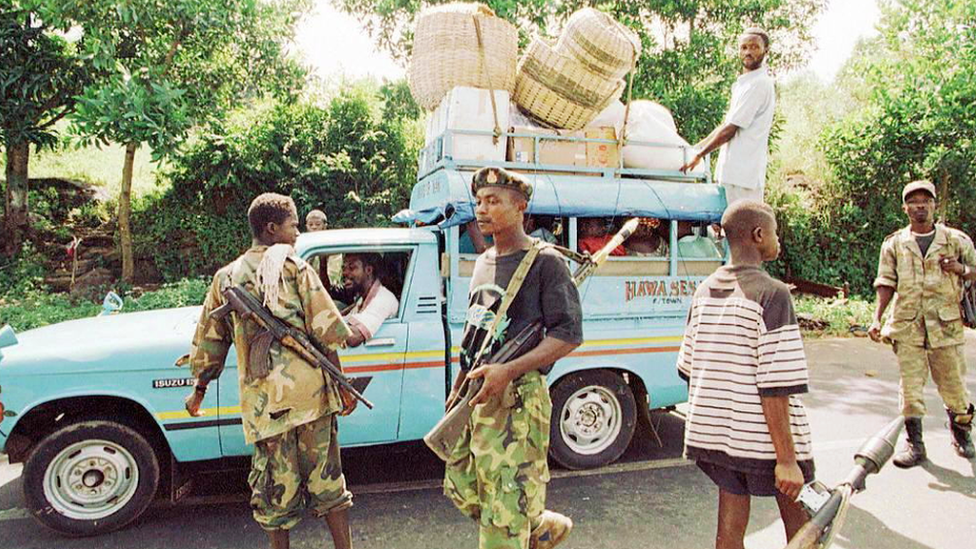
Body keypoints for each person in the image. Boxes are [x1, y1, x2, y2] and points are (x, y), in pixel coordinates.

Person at [184, 193, 357, 549]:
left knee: (274, 490)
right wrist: (342, 385)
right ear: (271, 228)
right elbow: (326, 333)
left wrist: (199, 388)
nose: (297, 232)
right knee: (328, 482)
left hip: (265, 406)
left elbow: (210, 342)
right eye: (293, 225)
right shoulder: (295, 268)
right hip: (311, 398)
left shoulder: (226, 276)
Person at [444, 166, 582, 549]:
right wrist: (460, 383)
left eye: (493, 201)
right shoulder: (485, 260)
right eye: (478, 201)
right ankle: (535, 524)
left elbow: (568, 335)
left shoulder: (545, 262)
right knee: (463, 485)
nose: (482, 209)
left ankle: (520, 524)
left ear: (520, 207)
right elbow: (478, 331)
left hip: (518, 401)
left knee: (503, 511)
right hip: (479, 392)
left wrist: (509, 369)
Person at [677, 200, 813, 549]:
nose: (778, 240)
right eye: (775, 232)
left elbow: (689, 368)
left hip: (720, 438)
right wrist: (787, 460)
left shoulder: (704, 290)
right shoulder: (773, 294)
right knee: (800, 526)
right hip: (766, 442)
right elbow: (775, 387)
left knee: (729, 529)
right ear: (758, 234)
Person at [868, 180, 976, 466]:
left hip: (946, 326)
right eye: (913, 202)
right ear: (905, 208)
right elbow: (886, 282)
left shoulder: (956, 240)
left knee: (954, 388)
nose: (920, 206)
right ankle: (915, 445)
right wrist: (877, 318)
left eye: (925, 201)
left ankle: (962, 434)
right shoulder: (894, 244)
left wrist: (960, 269)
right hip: (908, 326)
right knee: (910, 390)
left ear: (934, 205)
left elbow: (975, 271)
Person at [680, 28, 775, 206]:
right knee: (725, 227)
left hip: (743, 176)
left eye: (754, 47)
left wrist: (699, 155)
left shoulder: (759, 84)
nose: (748, 52)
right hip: (732, 173)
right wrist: (695, 148)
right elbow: (726, 124)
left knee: (742, 228)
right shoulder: (743, 84)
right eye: (744, 47)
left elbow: (730, 130)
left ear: (765, 51)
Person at [341, 253, 400, 347]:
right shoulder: (362, 299)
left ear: (368, 270)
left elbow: (354, 337)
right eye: (344, 268)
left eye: (352, 268)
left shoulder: (383, 299)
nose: (345, 273)